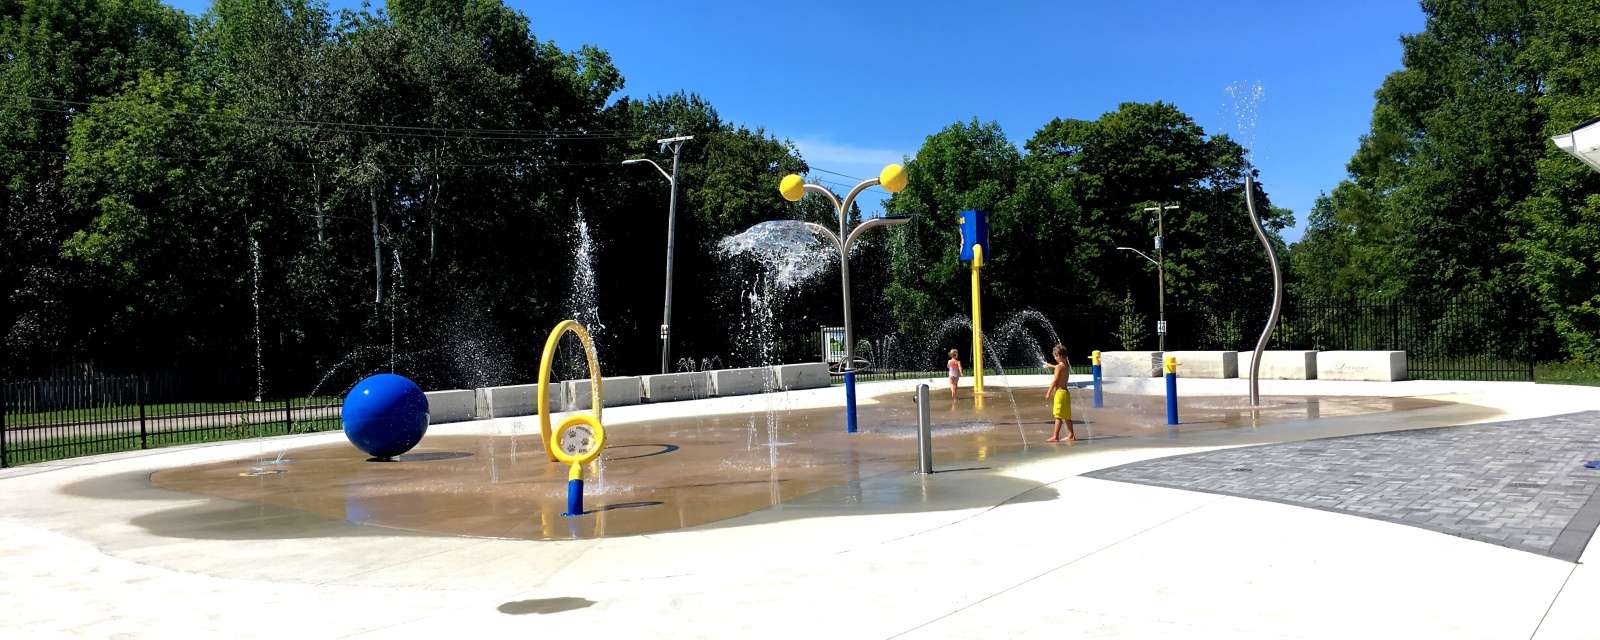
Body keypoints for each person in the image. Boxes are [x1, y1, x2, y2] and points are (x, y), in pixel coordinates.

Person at [1045, 343, 1076, 442]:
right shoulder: (1066, 365)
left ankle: (1055, 436)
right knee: (1067, 416)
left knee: (1058, 416)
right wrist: (1050, 365)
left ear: (1058, 356)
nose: (1055, 358)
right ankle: (1071, 435)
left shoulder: (1059, 367)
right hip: (1066, 393)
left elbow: (1055, 380)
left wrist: (1049, 392)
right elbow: (1059, 367)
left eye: (1055, 356)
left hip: (1059, 393)